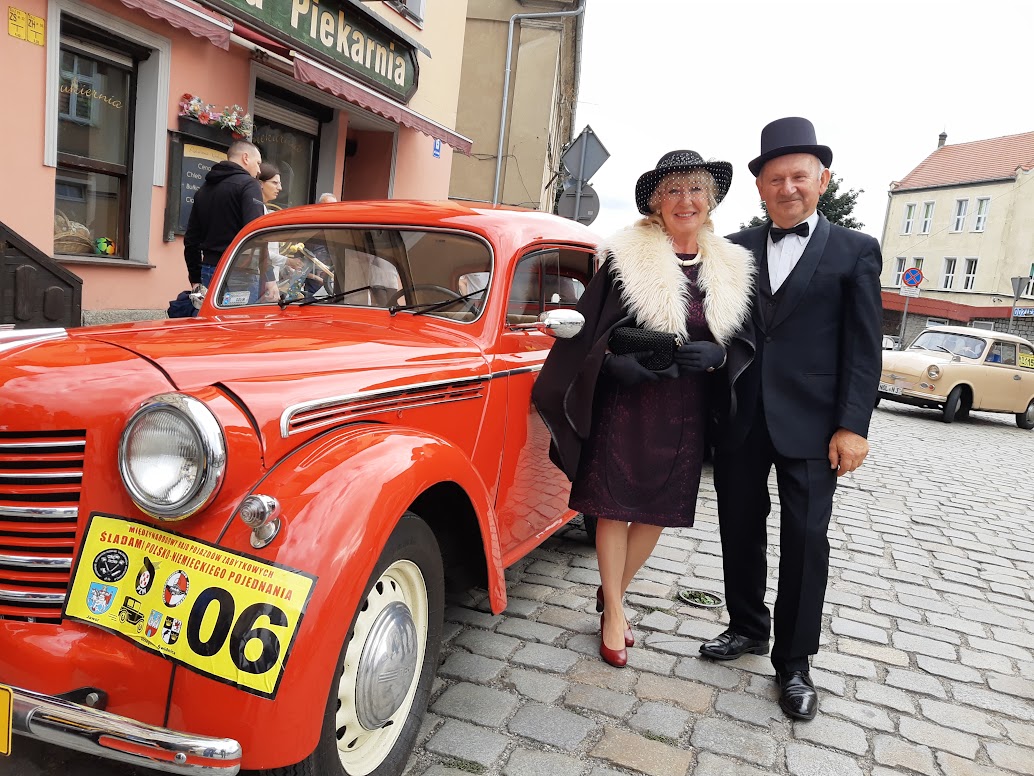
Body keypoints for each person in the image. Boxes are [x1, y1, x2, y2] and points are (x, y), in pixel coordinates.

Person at [534, 151, 754, 668]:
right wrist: (613, 364)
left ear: (711, 200)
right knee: (613, 506)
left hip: (685, 407)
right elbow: (586, 331)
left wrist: (720, 355)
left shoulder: (731, 267)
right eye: (673, 190)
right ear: (656, 203)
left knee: (656, 511)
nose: (686, 200)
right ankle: (614, 612)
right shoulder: (624, 260)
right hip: (626, 403)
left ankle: (613, 591)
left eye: (696, 190)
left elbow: (744, 340)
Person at [700, 117, 883, 721]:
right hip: (741, 417)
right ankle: (747, 626)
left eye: (799, 176)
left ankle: (796, 662)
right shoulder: (733, 249)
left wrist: (853, 426)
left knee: (806, 541)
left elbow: (863, 348)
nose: (788, 188)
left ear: (822, 180)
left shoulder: (856, 250)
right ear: (760, 187)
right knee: (738, 527)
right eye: (775, 179)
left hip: (816, 426)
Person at [183, 140, 265, 294]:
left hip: (209, 269)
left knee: (212, 311)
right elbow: (256, 233)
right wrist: (269, 277)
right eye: (258, 163)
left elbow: (191, 239)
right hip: (240, 270)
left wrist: (195, 278)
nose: (259, 170)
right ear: (246, 158)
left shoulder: (203, 190)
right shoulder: (249, 184)